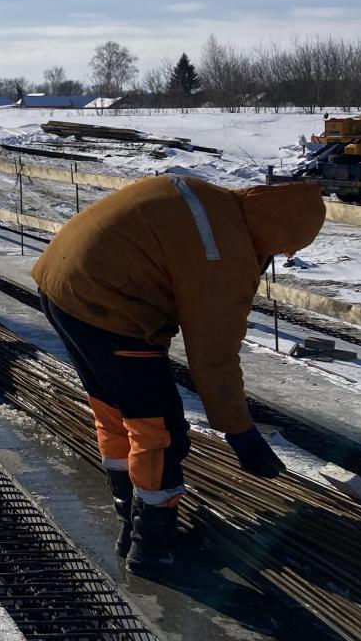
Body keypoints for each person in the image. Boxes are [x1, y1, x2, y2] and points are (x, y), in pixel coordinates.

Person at [30, 174, 324, 576]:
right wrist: (241, 434)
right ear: (279, 232)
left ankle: (127, 520)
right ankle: (153, 546)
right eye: (285, 247)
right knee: (160, 432)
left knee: (115, 411)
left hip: (63, 286)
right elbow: (213, 355)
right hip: (111, 308)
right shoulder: (225, 250)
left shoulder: (212, 200)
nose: (278, 255)